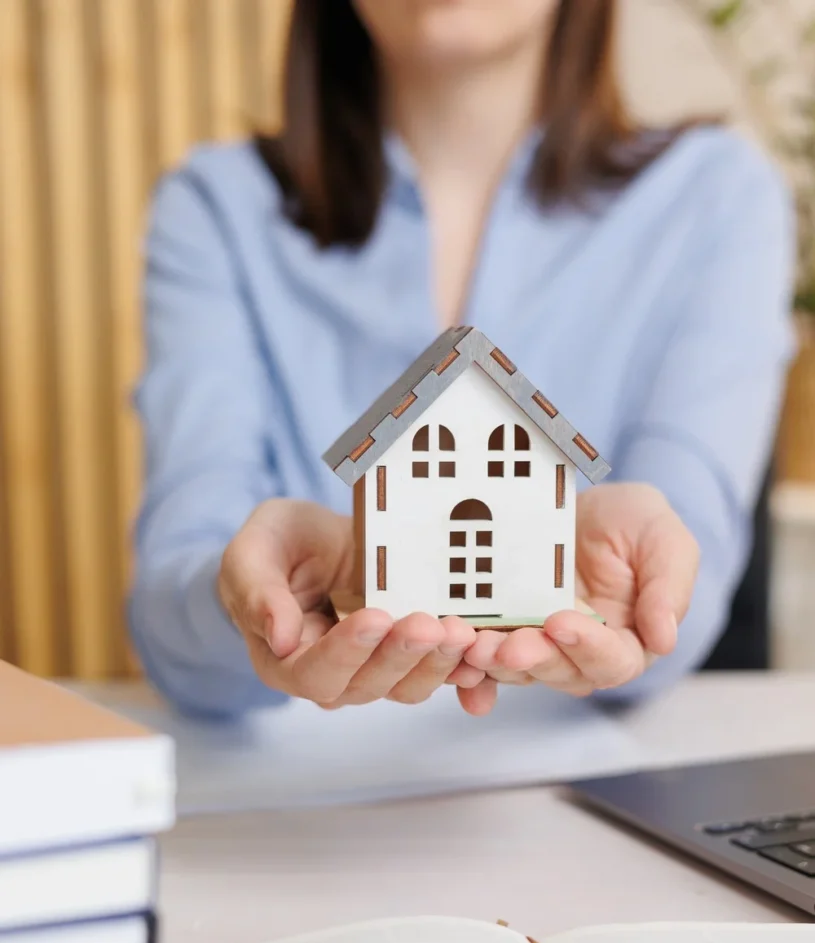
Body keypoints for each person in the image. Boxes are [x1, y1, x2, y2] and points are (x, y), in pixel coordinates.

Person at [130, 0, 794, 720]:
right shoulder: (216, 208)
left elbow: (683, 599)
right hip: (288, 794)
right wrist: (245, 602)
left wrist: (630, 587)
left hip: (582, 788)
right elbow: (172, 616)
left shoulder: (715, 197)